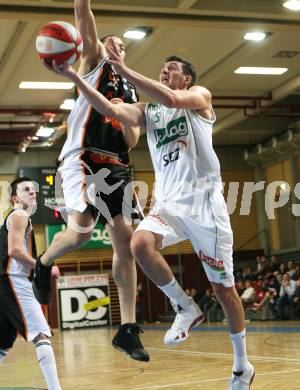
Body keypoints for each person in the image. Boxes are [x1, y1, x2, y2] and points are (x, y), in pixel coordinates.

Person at [42, 47, 255, 389]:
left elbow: (172, 98)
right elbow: (109, 108)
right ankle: (185, 307)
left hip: (204, 205)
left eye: (172, 68)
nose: (165, 71)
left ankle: (242, 365)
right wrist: (72, 76)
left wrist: (122, 68)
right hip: (169, 204)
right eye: (163, 67)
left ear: (187, 77)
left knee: (223, 290)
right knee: (138, 243)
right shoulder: (148, 111)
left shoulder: (199, 97)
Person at [32, 0, 149, 363]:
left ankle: (127, 329)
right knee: (81, 233)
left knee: (127, 245)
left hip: (117, 165)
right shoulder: (93, 61)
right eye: (113, 42)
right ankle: (44, 261)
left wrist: (126, 120)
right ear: (100, 44)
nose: (119, 47)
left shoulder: (131, 90)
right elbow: (84, 16)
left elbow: (131, 142)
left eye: (124, 47)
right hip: (83, 156)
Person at [0, 178, 61, 390]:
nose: (32, 192)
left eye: (33, 189)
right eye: (26, 189)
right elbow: (14, 251)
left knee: (3, 343)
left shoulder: (14, 217)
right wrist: (42, 266)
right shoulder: (19, 214)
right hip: (12, 280)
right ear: (14, 198)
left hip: (5, 282)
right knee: (41, 334)